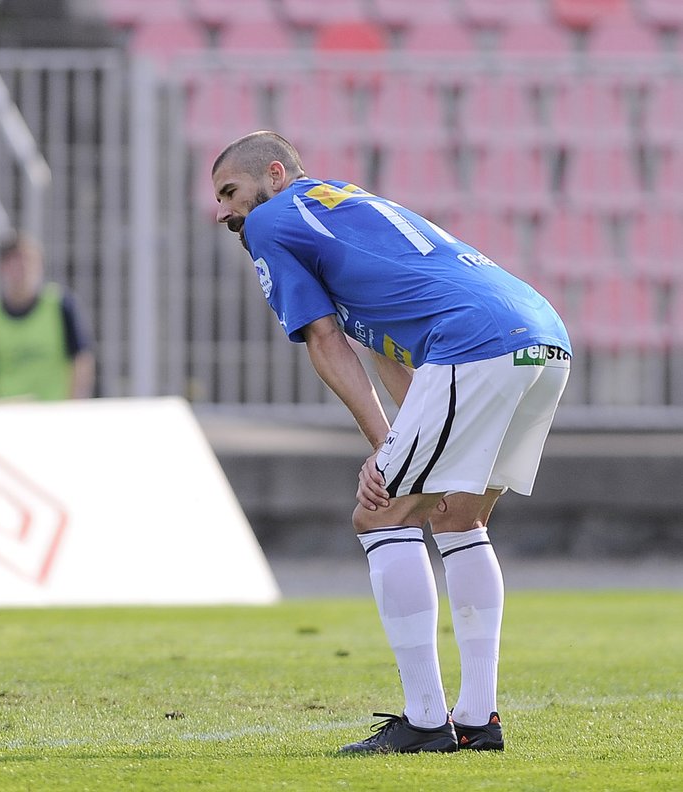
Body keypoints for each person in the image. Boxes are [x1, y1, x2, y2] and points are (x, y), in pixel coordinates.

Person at [211, 131, 571, 754]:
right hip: (541, 334)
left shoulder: (272, 221)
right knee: (459, 517)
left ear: (274, 174)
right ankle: (478, 719)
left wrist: (387, 450)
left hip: (476, 342)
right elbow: (388, 350)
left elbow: (325, 340)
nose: (226, 212)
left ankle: (427, 721)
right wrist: (406, 444)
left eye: (231, 191)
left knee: (380, 514)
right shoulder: (344, 209)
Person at [0, 232, 95, 402]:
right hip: (6, 418)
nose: (23, 269)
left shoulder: (60, 306)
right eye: (15, 262)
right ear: (1, 267)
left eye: (28, 261)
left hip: (54, 416)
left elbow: (82, 360)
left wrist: (73, 407)